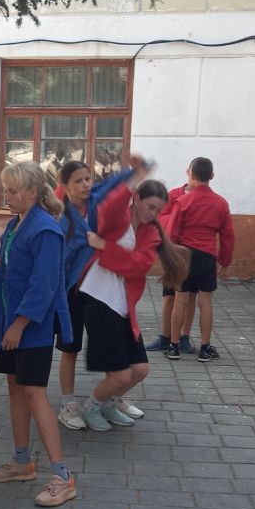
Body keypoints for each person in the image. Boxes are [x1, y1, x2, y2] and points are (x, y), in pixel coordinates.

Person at [0, 161, 76, 508]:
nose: (6, 196)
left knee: (35, 394)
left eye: (12, 191)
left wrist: (19, 324)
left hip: (31, 329)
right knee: (15, 388)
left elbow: (44, 285)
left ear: (33, 192)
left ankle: (63, 477)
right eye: (5, 190)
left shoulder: (45, 230)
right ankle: (22, 462)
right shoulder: (15, 225)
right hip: (11, 325)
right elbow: (4, 275)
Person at [78, 172, 190, 431]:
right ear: (136, 199)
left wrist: (105, 247)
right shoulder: (118, 218)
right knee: (120, 374)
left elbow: (138, 266)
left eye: (159, 210)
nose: (154, 214)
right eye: (150, 207)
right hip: (99, 300)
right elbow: (111, 203)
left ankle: (109, 405)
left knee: (140, 370)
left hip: (123, 306)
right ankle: (91, 407)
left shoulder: (151, 232)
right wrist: (136, 175)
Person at [53, 159, 146, 430]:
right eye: (78, 181)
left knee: (108, 343)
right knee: (69, 348)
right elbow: (58, 260)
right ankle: (68, 405)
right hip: (72, 290)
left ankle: (112, 399)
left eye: (88, 178)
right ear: (64, 186)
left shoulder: (96, 201)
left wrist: (138, 170)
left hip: (100, 289)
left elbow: (114, 183)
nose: (86, 184)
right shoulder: (62, 220)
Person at [163, 157, 234, 363]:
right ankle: (205, 348)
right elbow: (228, 236)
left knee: (180, 300)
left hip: (184, 255)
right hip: (207, 256)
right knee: (205, 301)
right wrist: (224, 261)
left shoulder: (182, 201)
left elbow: (172, 232)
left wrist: (171, 257)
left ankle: (173, 346)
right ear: (212, 176)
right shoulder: (221, 203)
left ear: (191, 175)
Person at [146, 161, 206, 352]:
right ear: (188, 172)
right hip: (174, 252)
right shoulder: (175, 195)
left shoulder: (204, 198)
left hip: (193, 254)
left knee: (190, 297)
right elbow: (163, 218)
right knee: (169, 296)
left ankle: (184, 336)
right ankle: (165, 336)